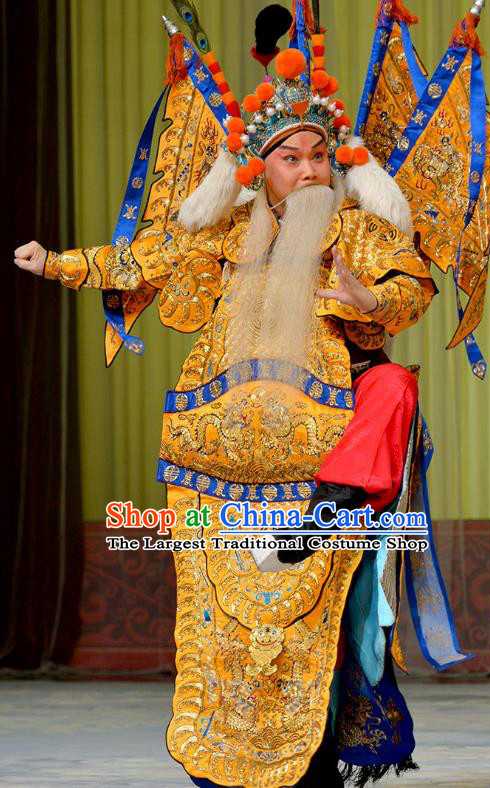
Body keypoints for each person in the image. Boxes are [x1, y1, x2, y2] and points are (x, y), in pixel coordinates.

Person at [14, 39, 440, 788]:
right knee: (227, 635)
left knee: (313, 627)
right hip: (215, 475)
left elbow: (411, 286)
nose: (309, 170)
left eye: (319, 155)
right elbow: (139, 259)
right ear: (258, 169)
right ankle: (222, 767)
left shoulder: (360, 232)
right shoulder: (217, 237)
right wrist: (56, 263)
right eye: (291, 158)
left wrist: (369, 300)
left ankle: (310, 760)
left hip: (321, 471)